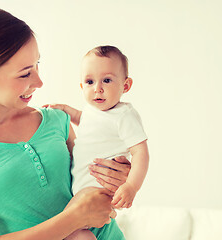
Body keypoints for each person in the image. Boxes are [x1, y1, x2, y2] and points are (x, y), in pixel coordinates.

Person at [0, 8, 131, 240]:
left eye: (37, 64)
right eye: (24, 74)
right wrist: (74, 219)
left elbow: (92, 191)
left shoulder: (56, 119)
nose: (39, 81)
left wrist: (117, 177)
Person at [45, 46, 149, 239]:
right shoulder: (92, 112)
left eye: (107, 80)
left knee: (67, 228)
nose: (97, 88)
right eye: (90, 81)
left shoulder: (124, 115)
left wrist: (131, 186)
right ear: (82, 87)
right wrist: (65, 109)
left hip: (99, 190)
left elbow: (141, 152)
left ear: (125, 86)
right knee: (74, 230)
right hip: (82, 190)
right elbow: (82, 119)